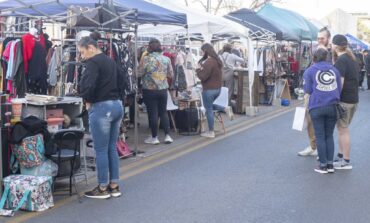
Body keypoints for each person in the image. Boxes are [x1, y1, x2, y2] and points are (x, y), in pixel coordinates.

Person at [78, 37, 124, 199]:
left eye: (82, 52)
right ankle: (114, 185)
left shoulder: (93, 63)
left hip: (101, 107)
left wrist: (87, 100)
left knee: (101, 149)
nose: (82, 56)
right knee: (111, 147)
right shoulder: (110, 61)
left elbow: (88, 85)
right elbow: (122, 80)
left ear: (90, 47)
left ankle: (102, 187)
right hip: (117, 105)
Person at [303, 48, 341, 174]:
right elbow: (339, 89)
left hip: (317, 106)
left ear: (314, 58)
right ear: (327, 57)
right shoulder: (334, 70)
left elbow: (307, 90)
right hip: (332, 106)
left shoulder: (310, 71)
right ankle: (330, 165)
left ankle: (322, 166)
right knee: (329, 135)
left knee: (320, 136)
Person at [298, 27, 332, 156]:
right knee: (310, 120)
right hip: (312, 92)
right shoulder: (319, 49)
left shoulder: (329, 52)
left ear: (328, 38)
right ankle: (314, 146)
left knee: (317, 121)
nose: (319, 40)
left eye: (322, 38)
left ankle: (317, 148)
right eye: (318, 38)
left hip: (321, 94)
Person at [138, 39, 174, 145]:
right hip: (163, 89)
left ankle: (154, 137)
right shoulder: (166, 59)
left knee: (153, 113)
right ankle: (167, 136)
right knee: (163, 112)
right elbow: (171, 74)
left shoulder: (146, 59)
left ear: (149, 47)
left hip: (149, 89)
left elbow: (139, 73)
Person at [332, 34, 359, 170]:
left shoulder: (341, 60)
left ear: (335, 46)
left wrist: (334, 98)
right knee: (342, 129)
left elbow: (340, 83)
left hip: (344, 100)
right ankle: (341, 156)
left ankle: (346, 161)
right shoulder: (351, 58)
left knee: (343, 131)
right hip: (353, 99)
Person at [196, 43, 232, 138]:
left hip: (209, 90)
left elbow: (203, 77)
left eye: (202, 51)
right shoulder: (217, 60)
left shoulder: (209, 62)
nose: (201, 52)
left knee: (208, 110)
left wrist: (198, 70)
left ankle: (211, 132)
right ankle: (224, 108)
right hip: (217, 89)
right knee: (209, 106)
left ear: (205, 51)